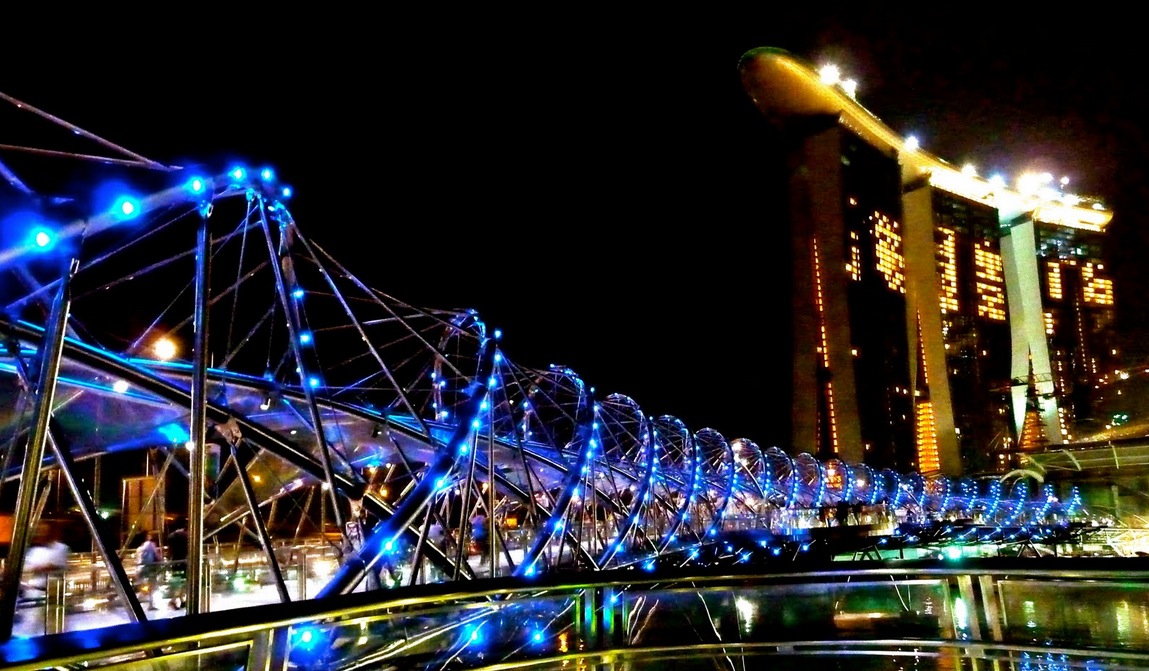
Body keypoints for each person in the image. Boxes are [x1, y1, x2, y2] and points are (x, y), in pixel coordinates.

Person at [19, 524, 70, 635]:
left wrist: (37, 568)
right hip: (34, 591)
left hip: (53, 593)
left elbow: (55, 565)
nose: (40, 534)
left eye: (43, 531)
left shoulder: (61, 548)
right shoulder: (34, 551)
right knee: (31, 622)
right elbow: (25, 569)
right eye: (39, 531)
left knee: (55, 624)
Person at [165, 520, 189, 609]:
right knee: (184, 582)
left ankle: (176, 600)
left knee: (176, 581)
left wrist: (168, 560)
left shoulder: (172, 536)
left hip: (175, 562)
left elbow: (169, 551)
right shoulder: (187, 536)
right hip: (185, 562)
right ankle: (180, 600)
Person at [135, 532, 162, 609]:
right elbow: (156, 555)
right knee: (152, 585)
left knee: (144, 586)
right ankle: (150, 604)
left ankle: (140, 599)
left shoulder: (139, 548)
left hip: (140, 568)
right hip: (149, 568)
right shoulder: (150, 544)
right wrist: (161, 561)